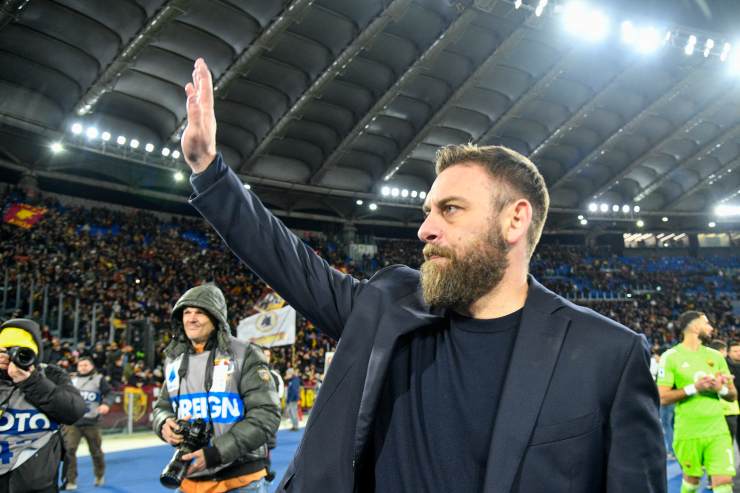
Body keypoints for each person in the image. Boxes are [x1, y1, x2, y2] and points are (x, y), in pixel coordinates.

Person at [179, 58, 666, 492]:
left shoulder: (607, 354)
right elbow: (287, 261)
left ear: (515, 220)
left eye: (450, 209)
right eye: (428, 211)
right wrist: (208, 168)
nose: (425, 229)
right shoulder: (388, 305)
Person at [152, 284, 280, 493]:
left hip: (241, 481)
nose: (191, 318)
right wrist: (163, 423)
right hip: (190, 481)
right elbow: (162, 407)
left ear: (215, 317)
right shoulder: (174, 360)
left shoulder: (245, 354)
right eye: (187, 312)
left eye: (200, 312)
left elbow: (266, 414)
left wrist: (217, 452)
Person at [0, 318, 86, 492]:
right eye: (4, 351)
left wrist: (31, 381)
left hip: (39, 484)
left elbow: (74, 411)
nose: (13, 358)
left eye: (21, 352)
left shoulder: (51, 375)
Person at [658, 312, 737, 493]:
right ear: (694, 327)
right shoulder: (670, 357)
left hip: (717, 429)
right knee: (692, 481)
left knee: (723, 481)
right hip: (688, 431)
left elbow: (733, 395)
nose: (711, 328)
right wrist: (695, 388)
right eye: (706, 323)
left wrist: (720, 389)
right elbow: (662, 397)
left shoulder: (716, 357)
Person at [61, 355, 114, 490]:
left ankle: (99, 475)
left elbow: (109, 393)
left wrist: (106, 404)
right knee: (69, 451)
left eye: (86, 365)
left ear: (92, 366)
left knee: (96, 451)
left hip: (92, 421)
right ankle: (71, 480)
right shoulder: (71, 379)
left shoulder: (99, 379)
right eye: (80, 365)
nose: (83, 368)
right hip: (73, 422)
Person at [709, 339, 740, 447]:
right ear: (727, 352)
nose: (738, 353)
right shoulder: (724, 366)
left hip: (731, 409)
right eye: (735, 351)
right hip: (726, 409)